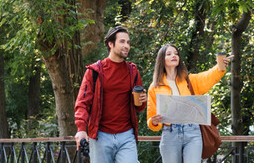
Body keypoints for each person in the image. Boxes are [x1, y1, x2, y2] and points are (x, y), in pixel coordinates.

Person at [147, 44, 233, 163]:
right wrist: (154, 122)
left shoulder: (189, 80)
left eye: (176, 53)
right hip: (169, 134)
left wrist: (219, 66)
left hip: (192, 131)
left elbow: (208, 77)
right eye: (169, 54)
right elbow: (151, 118)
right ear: (162, 59)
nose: (174, 55)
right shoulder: (154, 87)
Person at [74, 26, 147, 163]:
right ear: (110, 44)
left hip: (126, 135)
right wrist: (81, 129)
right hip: (101, 136)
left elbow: (139, 107)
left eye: (128, 43)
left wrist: (143, 100)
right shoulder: (94, 71)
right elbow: (82, 103)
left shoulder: (133, 71)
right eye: (122, 42)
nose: (126, 46)